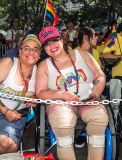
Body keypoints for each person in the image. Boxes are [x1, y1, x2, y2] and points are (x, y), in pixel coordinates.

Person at [36, 26, 108, 160]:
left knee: (99, 118)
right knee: (61, 123)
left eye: (54, 41)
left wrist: (95, 95)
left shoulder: (82, 54)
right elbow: (40, 92)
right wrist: (62, 94)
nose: (52, 46)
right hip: (61, 104)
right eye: (47, 44)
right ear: (44, 49)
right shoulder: (44, 65)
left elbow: (100, 76)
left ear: (62, 40)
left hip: (88, 100)